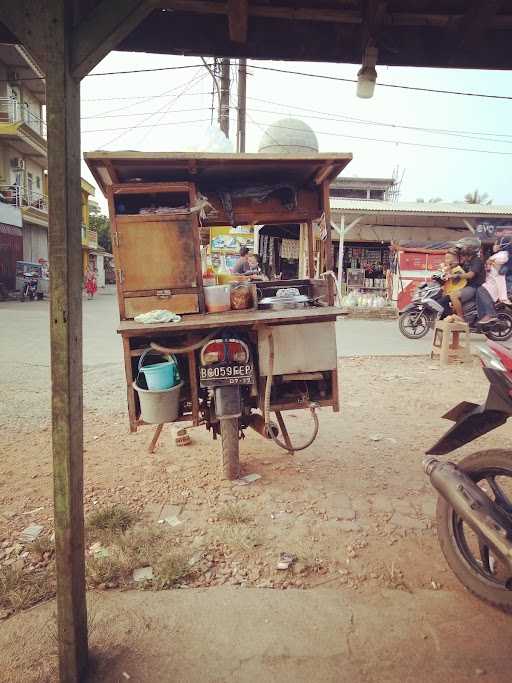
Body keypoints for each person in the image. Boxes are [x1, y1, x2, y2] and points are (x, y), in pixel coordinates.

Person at [452, 239, 496, 325]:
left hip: (475, 287)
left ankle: (461, 317)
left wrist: (457, 276)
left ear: (468, 253)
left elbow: (470, 275)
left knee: (454, 296)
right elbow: (461, 271)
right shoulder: (468, 262)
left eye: (462, 255)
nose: (462, 257)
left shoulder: (477, 261)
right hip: (469, 286)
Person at [439, 250, 467, 320]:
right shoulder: (451, 269)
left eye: (448, 258)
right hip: (449, 292)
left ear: (455, 260)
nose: (446, 260)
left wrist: (447, 269)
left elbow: (453, 280)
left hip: (457, 292)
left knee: (441, 302)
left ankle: (456, 317)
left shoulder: (458, 270)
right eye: (445, 258)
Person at [483, 239, 511, 305]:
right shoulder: (501, 254)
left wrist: (491, 262)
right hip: (493, 277)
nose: (494, 246)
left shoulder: (503, 255)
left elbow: (499, 270)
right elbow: (489, 262)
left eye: (496, 244)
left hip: (495, 279)